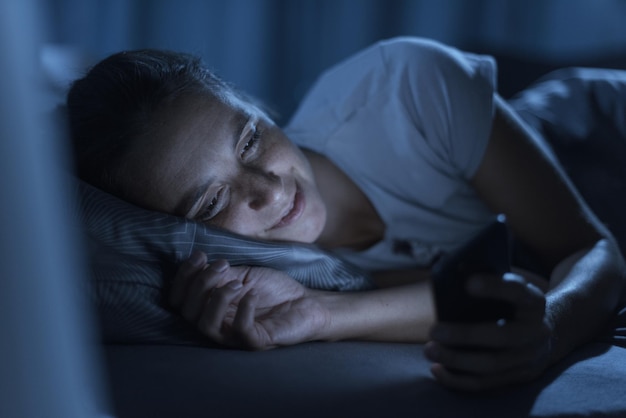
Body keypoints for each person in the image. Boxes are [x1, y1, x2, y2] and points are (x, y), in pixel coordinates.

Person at [66, 37, 626, 391]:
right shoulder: (290, 270)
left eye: (251, 140)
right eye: (212, 201)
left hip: (596, 138)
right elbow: (511, 285)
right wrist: (319, 314)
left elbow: (592, 252)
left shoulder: (406, 85)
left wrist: (551, 329)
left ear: (256, 105)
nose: (268, 190)